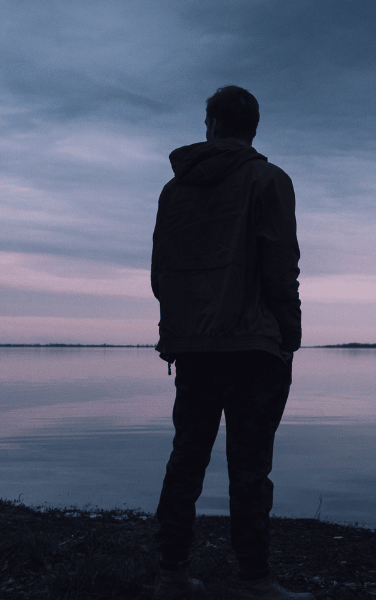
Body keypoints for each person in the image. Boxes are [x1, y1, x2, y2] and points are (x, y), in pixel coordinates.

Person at [150, 85, 310, 600]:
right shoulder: (269, 179)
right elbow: (281, 265)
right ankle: (255, 582)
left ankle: (171, 576)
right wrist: (290, 335)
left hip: (194, 346)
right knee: (249, 466)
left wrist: (178, 330)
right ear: (253, 128)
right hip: (253, 347)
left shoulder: (174, 192)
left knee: (186, 458)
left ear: (211, 125)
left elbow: (161, 274)